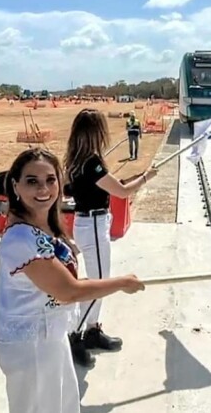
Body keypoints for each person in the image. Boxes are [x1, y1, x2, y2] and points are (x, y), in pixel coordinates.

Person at [0, 147, 145, 413]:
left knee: (61, 405)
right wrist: (121, 283)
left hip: (51, 333)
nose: (43, 189)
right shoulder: (21, 238)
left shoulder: (43, 226)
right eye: (32, 181)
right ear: (15, 185)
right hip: (30, 344)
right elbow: (68, 291)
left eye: (51, 180)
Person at [63, 108, 158, 367]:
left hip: (90, 223)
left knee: (98, 281)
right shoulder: (91, 162)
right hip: (93, 223)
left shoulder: (76, 159)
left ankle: (92, 329)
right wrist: (146, 177)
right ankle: (76, 336)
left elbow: (98, 187)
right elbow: (122, 192)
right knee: (98, 284)